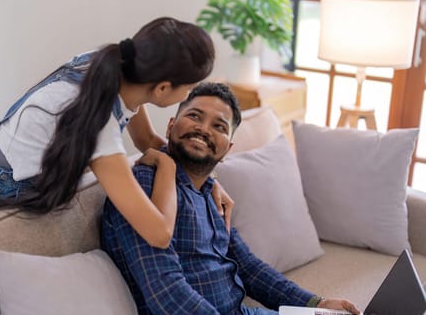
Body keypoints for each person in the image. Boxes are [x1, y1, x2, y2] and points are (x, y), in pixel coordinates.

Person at [0, 17, 234, 248]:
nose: (188, 96)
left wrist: (206, 179)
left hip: (14, 166)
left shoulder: (121, 68)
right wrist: (166, 165)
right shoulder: (99, 124)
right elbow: (160, 233)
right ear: (163, 88)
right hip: (3, 184)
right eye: (188, 89)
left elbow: (146, 140)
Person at [101, 82, 361, 315]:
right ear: (170, 126)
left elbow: (247, 267)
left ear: (227, 150)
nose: (203, 129)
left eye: (219, 126)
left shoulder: (211, 192)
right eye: (194, 116)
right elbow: (166, 293)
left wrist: (315, 304)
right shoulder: (143, 186)